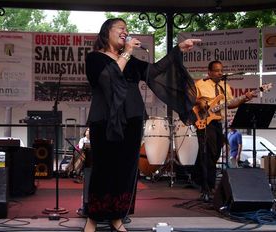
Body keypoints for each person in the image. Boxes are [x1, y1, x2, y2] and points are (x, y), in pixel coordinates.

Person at [84, 18, 200, 232]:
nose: (125, 32)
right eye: (121, 28)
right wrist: (127, 52)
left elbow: (156, 71)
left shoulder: (131, 61)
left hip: (132, 117)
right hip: (105, 119)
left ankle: (117, 217)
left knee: (126, 169)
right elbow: (109, 78)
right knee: (104, 167)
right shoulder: (94, 58)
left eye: (126, 30)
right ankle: (93, 217)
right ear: (106, 32)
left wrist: (178, 50)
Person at [193, 60, 256, 202]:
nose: (220, 73)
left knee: (215, 153)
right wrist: (200, 102)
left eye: (221, 70)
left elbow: (231, 104)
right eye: (216, 70)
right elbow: (191, 99)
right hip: (203, 120)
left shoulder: (225, 87)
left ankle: (199, 179)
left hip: (218, 121)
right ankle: (207, 188)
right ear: (209, 72)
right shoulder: (200, 84)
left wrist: (245, 98)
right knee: (207, 152)